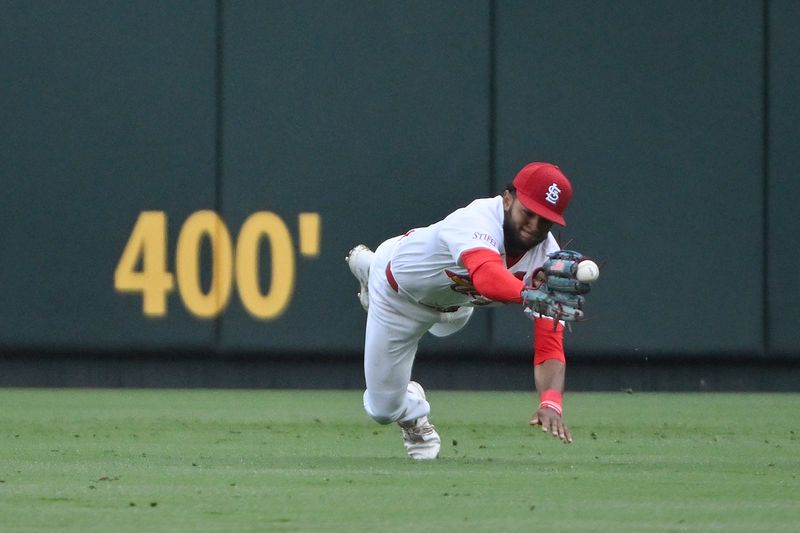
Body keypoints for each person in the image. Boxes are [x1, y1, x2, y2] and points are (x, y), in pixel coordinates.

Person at [346, 162, 575, 460]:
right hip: (398, 297)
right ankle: (414, 412)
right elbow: (487, 277)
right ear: (507, 200)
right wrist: (532, 295)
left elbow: (549, 344)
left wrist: (551, 402)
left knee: (449, 322)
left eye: (544, 220)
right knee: (382, 410)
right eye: (527, 212)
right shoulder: (477, 219)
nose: (533, 225)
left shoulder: (549, 261)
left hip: (456, 307)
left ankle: (372, 269)